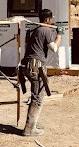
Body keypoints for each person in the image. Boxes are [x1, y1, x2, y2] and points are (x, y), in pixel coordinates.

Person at [19, 9, 61, 137]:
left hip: (27, 65)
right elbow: (53, 48)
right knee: (37, 97)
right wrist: (59, 36)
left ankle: (33, 123)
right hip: (36, 66)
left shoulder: (33, 30)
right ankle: (29, 129)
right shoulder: (46, 30)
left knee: (35, 95)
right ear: (48, 20)